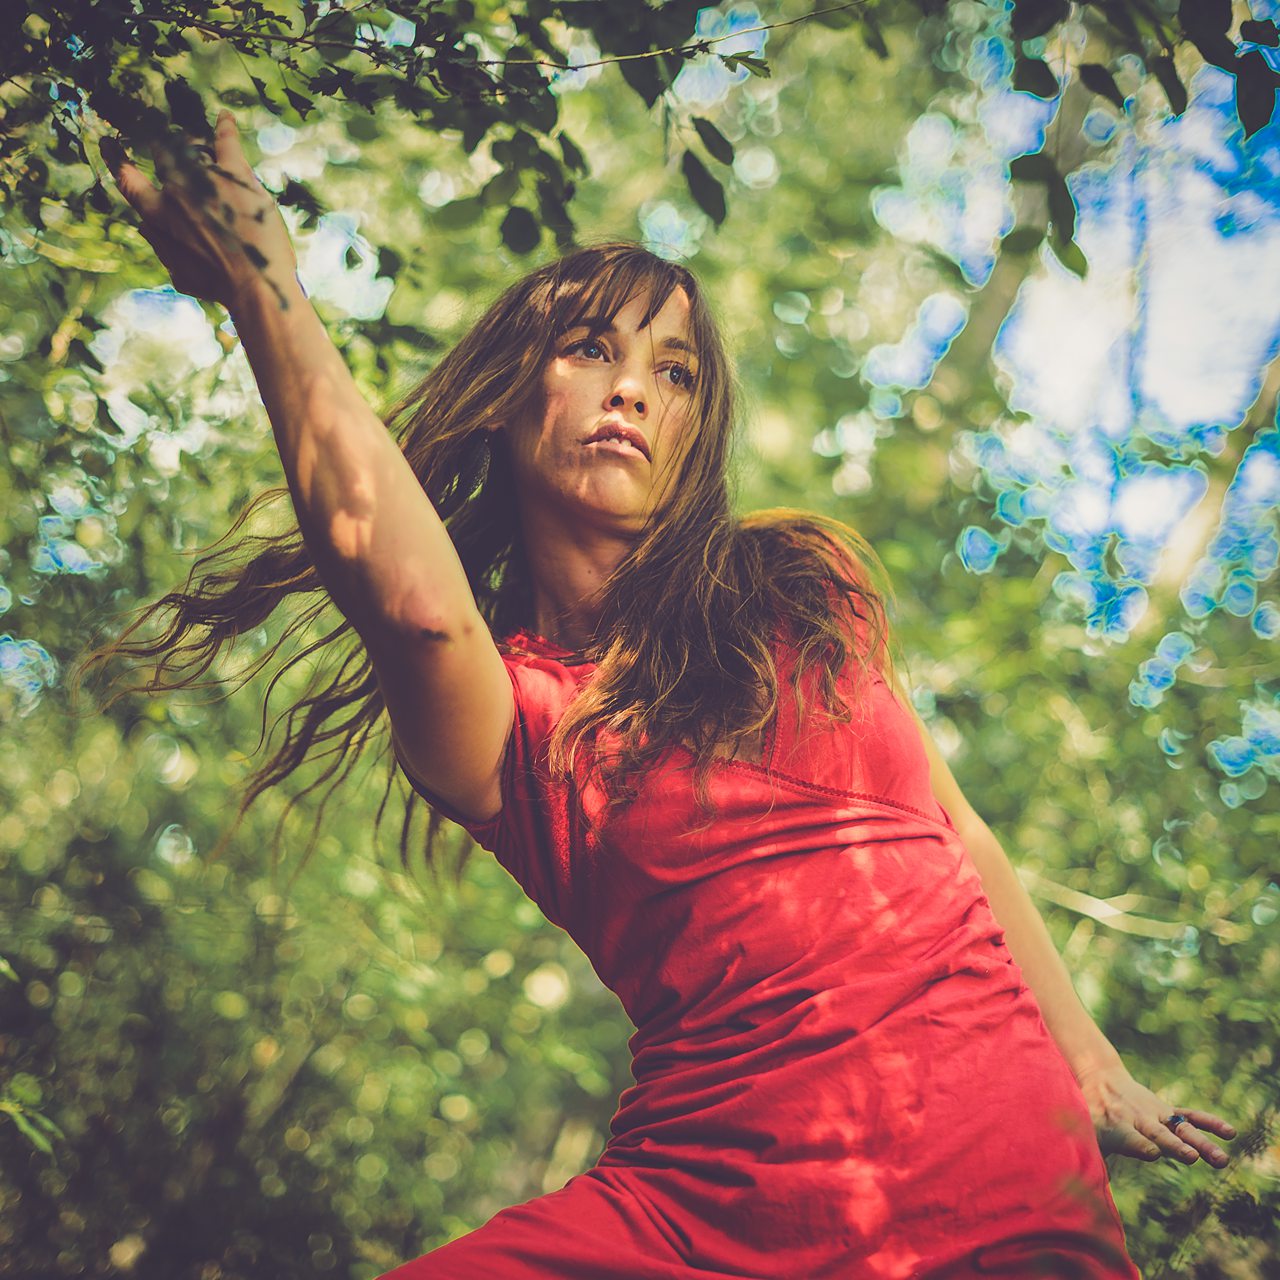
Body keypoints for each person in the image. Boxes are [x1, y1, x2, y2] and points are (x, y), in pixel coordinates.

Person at [104, 110, 1236, 1279]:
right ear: (508, 392)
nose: (632, 390)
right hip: (698, 1215)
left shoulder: (803, 584)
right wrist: (263, 286)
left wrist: (1088, 1059)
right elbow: (416, 602)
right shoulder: (508, 719)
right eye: (590, 349)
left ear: (695, 429)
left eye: (673, 371)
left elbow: (951, 827)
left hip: (992, 1193)